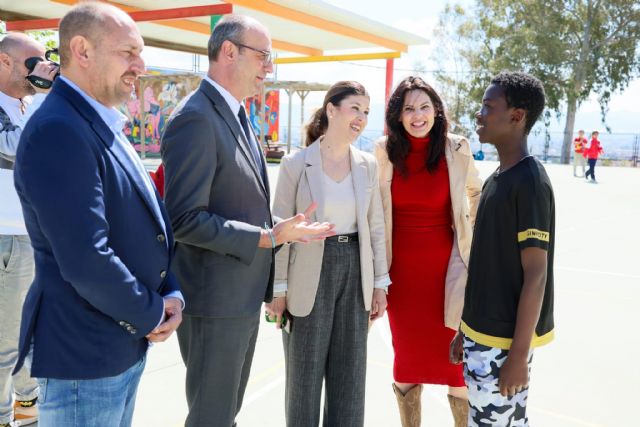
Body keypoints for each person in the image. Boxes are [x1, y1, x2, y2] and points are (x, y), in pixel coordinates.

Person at [13, 3, 184, 426]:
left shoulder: (99, 120)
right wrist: (151, 313)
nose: (140, 66)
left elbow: (147, 222)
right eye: (128, 53)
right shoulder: (59, 129)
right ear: (82, 50)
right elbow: (86, 258)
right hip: (85, 357)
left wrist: (172, 295)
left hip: (118, 344)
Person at [160, 15, 334, 427]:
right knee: (212, 417)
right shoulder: (196, 118)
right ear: (228, 52)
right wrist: (267, 236)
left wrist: (282, 230)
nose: (269, 68)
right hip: (214, 301)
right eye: (263, 56)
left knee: (224, 415)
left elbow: (233, 203)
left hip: (237, 296)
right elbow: (184, 219)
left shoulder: (232, 112)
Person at [267, 81, 389, 427]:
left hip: (355, 270)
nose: (361, 118)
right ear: (331, 110)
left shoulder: (367, 165)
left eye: (366, 112)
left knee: (350, 379)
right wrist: (278, 290)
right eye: (355, 108)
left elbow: (375, 227)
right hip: (307, 272)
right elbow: (279, 228)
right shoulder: (295, 163)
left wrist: (380, 283)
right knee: (303, 380)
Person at [374, 76, 482, 427]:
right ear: (398, 115)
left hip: (448, 271)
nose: (417, 115)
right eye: (409, 109)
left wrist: (476, 236)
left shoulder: (457, 147)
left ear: (437, 110)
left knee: (456, 366)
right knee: (406, 363)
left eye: (424, 107)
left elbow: (477, 193)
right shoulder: (383, 151)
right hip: (401, 276)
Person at [450, 71, 555, 427]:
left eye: (488, 106)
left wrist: (518, 356)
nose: (479, 114)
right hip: (480, 335)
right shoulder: (496, 179)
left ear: (516, 116)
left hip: (504, 345)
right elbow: (485, 264)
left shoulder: (530, 182)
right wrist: (465, 328)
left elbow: (536, 275)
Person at [0, 32, 58, 427]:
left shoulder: (27, 106)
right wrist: (45, 101)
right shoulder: (26, 108)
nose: (41, 71)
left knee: (32, 332)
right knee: (7, 340)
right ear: (4, 61)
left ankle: (27, 405)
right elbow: (17, 147)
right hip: (8, 239)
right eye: (32, 63)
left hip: (34, 238)